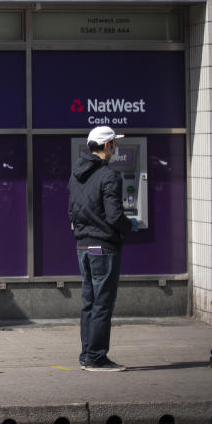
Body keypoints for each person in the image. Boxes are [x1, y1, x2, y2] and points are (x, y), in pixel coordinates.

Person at [68, 126, 138, 372]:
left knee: (89, 301)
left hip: (83, 246)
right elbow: (113, 215)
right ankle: (97, 358)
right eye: (114, 144)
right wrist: (128, 225)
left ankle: (87, 354)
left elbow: (72, 211)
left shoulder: (75, 175)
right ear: (107, 145)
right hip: (104, 247)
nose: (115, 148)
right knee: (102, 303)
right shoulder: (109, 175)